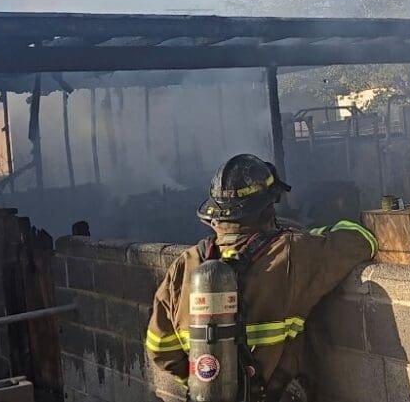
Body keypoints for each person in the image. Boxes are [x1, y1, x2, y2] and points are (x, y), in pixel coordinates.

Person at [146, 154, 377, 402]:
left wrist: (208, 383)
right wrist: (312, 235)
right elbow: (361, 240)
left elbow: (160, 348)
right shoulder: (293, 252)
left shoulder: (186, 264)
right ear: (267, 208)